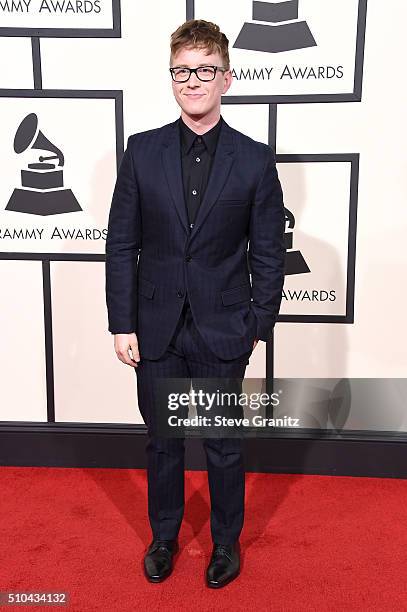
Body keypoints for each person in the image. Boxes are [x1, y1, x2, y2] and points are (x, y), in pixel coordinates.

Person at [105, 18, 285, 589]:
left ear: (226, 79)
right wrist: (122, 324)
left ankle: (226, 544)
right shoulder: (141, 152)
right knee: (162, 440)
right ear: (172, 78)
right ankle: (164, 536)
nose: (192, 81)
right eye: (182, 71)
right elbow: (122, 244)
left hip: (223, 328)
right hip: (155, 327)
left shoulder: (254, 160)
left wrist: (255, 323)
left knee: (222, 444)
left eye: (205, 70)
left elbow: (268, 253)